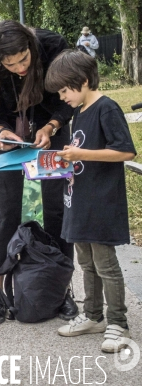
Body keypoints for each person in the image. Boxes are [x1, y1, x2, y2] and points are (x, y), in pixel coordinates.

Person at [0, 20, 78, 325]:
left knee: (57, 209)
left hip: (51, 130)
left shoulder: (53, 46)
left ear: (32, 48)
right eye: (10, 64)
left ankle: (61, 289)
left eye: (24, 60)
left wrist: (52, 126)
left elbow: (71, 96)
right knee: (5, 211)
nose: (19, 68)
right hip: (10, 139)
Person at [44, 50, 137, 353]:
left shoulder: (106, 108)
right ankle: (94, 316)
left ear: (82, 81)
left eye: (64, 90)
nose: (62, 97)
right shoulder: (79, 111)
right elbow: (83, 151)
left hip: (101, 201)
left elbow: (125, 152)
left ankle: (118, 324)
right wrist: (65, 157)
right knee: (86, 263)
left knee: (106, 265)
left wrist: (80, 154)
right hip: (79, 200)